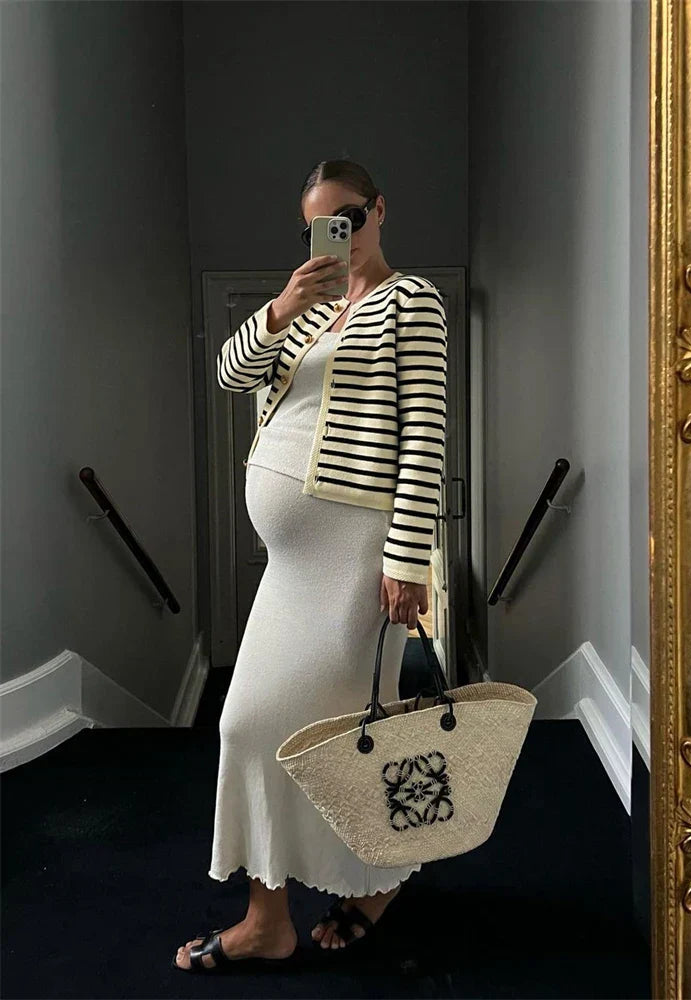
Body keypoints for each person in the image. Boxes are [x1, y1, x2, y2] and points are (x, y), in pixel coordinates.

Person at [174, 159, 448, 972]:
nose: (338, 235)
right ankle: (280, 914)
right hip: (291, 567)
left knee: (343, 732)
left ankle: (367, 884)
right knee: (256, 725)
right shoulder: (308, 311)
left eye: (349, 217)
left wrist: (408, 560)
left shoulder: (412, 301)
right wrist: (281, 309)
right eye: (318, 226)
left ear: (379, 211)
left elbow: (425, 436)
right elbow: (230, 375)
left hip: (358, 556)